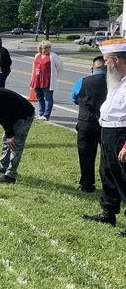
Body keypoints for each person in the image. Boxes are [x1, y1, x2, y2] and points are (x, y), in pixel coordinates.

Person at [82, 39, 126, 230]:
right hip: (107, 132)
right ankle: (108, 212)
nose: (105, 64)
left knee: (123, 177)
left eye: (107, 60)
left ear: (116, 60)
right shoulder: (117, 82)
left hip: (121, 134)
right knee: (107, 173)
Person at [70, 56, 107, 192]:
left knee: (86, 154)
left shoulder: (81, 82)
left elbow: (74, 98)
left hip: (86, 122)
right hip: (107, 124)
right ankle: (108, 184)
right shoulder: (115, 83)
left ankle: (87, 184)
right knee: (107, 155)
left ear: (92, 69)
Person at [30, 41, 64, 121]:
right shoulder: (37, 55)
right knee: (39, 97)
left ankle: (46, 115)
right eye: (45, 48)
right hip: (37, 79)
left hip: (47, 80)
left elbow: (60, 67)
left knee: (48, 98)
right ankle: (41, 113)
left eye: (48, 48)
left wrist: (54, 74)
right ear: (40, 49)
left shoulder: (53, 56)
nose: (47, 49)